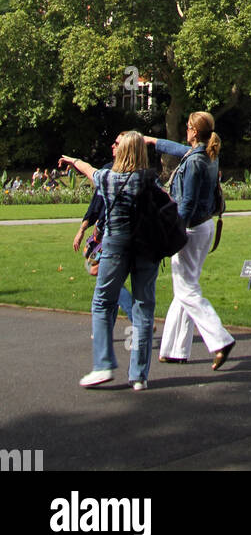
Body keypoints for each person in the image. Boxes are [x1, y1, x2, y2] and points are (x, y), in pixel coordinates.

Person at [60, 132, 160, 390]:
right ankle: (139, 375)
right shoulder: (151, 181)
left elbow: (88, 169)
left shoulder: (108, 179)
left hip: (116, 245)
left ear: (122, 152)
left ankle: (103, 365)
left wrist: (73, 160)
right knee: (143, 308)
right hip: (146, 248)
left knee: (103, 302)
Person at [145, 113, 235, 370]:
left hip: (191, 229)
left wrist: (173, 234)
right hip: (202, 227)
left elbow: (188, 203)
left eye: (187, 127)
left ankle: (220, 340)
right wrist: (152, 141)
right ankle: (174, 349)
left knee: (187, 290)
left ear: (195, 131)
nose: (185, 131)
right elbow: (179, 149)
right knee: (184, 288)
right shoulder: (206, 155)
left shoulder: (196, 162)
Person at [72, 137, 134, 319]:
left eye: (116, 144)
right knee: (108, 278)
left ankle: (129, 316)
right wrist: (82, 229)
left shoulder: (111, 173)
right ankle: (109, 323)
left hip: (112, 235)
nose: (112, 146)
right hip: (116, 235)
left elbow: (97, 203)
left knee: (99, 273)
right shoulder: (131, 172)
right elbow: (96, 204)